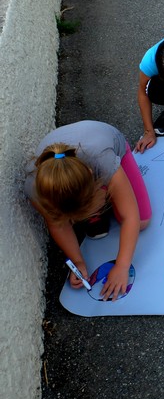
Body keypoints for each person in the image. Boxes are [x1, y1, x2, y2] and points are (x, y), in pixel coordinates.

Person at [25, 121, 152, 301]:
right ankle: (95, 210)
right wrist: (78, 262)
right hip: (76, 160)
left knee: (142, 222)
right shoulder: (35, 189)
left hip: (107, 140)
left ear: (94, 179)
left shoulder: (104, 163)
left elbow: (131, 216)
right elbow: (57, 225)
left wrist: (123, 266)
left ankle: (101, 206)